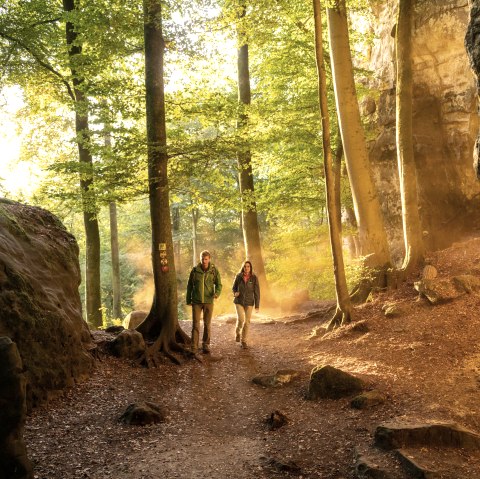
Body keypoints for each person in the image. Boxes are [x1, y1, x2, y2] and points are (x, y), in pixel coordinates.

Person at [186, 250, 222, 354]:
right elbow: (189, 286)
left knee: (207, 324)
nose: (204, 261)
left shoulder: (214, 270)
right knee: (195, 325)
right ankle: (193, 347)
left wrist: (217, 293)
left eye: (206, 259)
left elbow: (219, 284)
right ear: (200, 259)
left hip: (208, 301)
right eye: (202, 259)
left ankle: (205, 345)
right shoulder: (194, 271)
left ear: (209, 259)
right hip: (196, 302)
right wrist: (188, 299)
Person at [232, 260, 260, 349]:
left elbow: (257, 292)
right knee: (241, 319)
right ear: (243, 267)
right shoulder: (239, 276)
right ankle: (237, 333)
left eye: (248, 266)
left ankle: (243, 341)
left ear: (250, 268)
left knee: (247, 322)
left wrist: (257, 306)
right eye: (245, 266)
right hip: (239, 301)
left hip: (249, 302)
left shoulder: (254, 278)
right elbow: (234, 288)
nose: (246, 268)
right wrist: (235, 293)